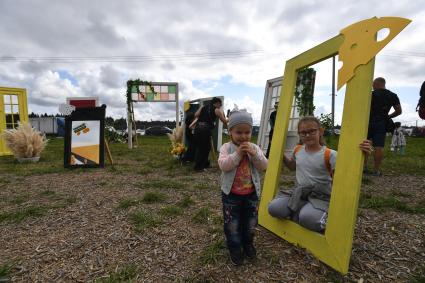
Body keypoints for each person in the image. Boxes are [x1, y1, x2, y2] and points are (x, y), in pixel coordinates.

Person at [268, 116, 372, 233]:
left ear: (320, 131)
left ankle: (317, 216)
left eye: (312, 131)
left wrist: (364, 156)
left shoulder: (330, 154)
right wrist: (280, 154)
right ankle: (305, 210)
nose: (307, 135)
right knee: (273, 208)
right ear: (299, 134)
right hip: (300, 194)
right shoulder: (297, 150)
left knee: (307, 219)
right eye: (303, 132)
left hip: (321, 196)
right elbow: (292, 167)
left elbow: (350, 173)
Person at [218, 109, 268, 265]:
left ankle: (248, 243)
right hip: (231, 195)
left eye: (247, 132)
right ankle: (234, 247)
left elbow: (264, 166)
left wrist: (254, 154)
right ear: (230, 132)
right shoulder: (226, 148)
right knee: (232, 224)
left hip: (251, 194)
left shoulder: (254, 147)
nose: (243, 136)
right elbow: (224, 166)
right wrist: (238, 154)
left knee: (251, 223)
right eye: (239, 132)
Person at [365, 77, 402, 176]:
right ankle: (376, 171)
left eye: (373, 84)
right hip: (381, 123)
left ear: (377, 84)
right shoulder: (392, 95)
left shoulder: (370, 95)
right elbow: (399, 111)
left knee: (365, 144)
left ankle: (363, 168)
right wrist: (388, 116)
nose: (372, 86)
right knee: (379, 147)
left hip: (367, 122)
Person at [193, 97, 227, 171]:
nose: (220, 106)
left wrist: (201, 108)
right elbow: (224, 121)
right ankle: (198, 167)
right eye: (220, 104)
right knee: (204, 148)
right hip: (205, 130)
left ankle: (204, 164)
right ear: (217, 103)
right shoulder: (217, 110)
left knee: (203, 148)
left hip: (197, 129)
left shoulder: (204, 107)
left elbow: (196, 115)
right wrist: (230, 118)